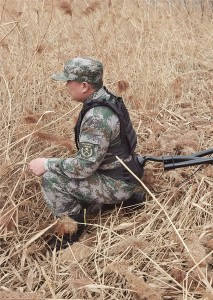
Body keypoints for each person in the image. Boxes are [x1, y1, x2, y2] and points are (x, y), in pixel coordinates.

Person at [28, 57, 144, 249]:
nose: (66, 86)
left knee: (52, 179)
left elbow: (83, 167)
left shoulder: (97, 117)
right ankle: (118, 201)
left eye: (69, 81)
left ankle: (72, 229)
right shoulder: (106, 98)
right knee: (67, 169)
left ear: (83, 86)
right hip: (123, 173)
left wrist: (47, 164)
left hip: (117, 182)